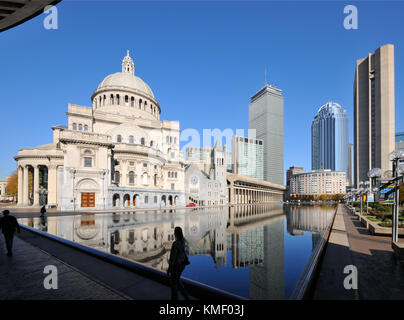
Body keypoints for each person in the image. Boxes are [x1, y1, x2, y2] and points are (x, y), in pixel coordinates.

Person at [167, 226, 190, 300]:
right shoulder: (184, 242)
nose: (173, 233)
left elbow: (172, 257)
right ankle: (186, 297)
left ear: (176, 233)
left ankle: (175, 298)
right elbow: (186, 253)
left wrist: (169, 268)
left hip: (176, 266)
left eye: (174, 232)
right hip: (182, 265)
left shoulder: (175, 243)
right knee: (177, 281)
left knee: (174, 284)